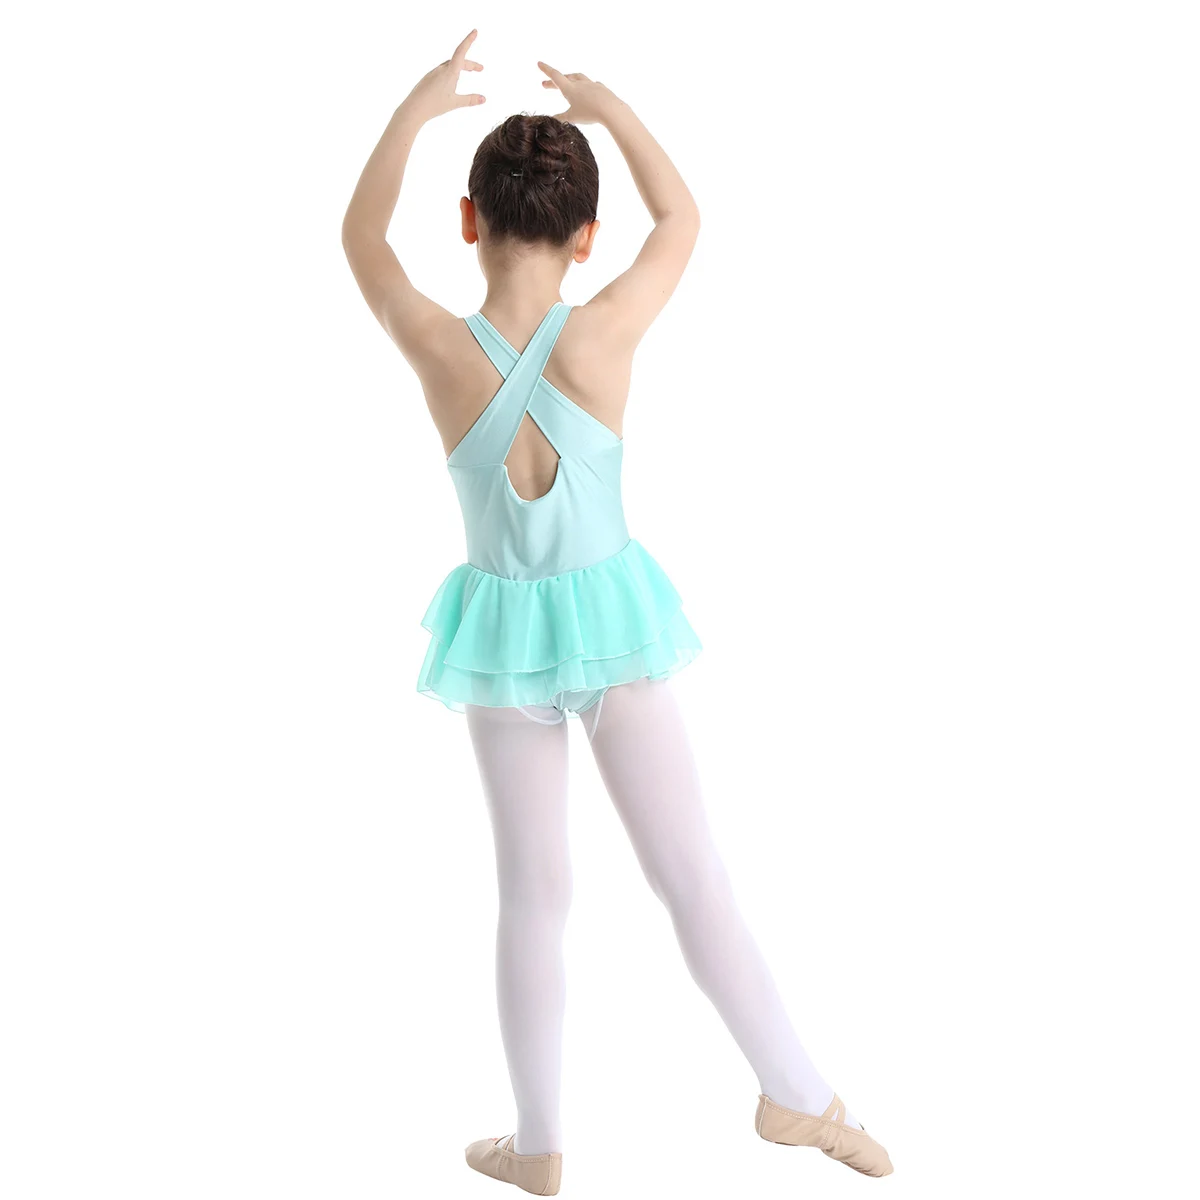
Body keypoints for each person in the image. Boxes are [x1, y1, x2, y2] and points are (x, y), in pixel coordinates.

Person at [341, 30, 893, 1195]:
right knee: (692, 874)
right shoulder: (601, 333)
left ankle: (540, 1142)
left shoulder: (436, 346)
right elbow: (682, 218)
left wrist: (418, 105)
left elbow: (359, 237)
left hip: (502, 640)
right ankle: (800, 1096)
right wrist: (611, 107)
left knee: (532, 895)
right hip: (615, 629)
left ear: (467, 222)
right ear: (587, 237)